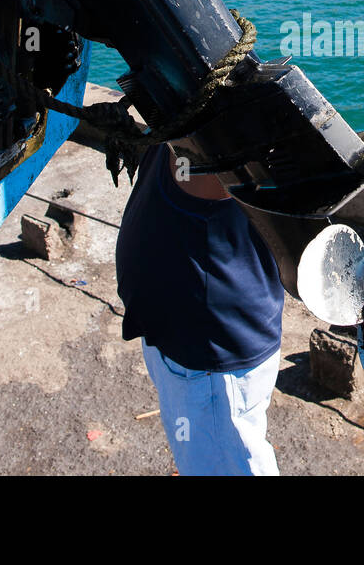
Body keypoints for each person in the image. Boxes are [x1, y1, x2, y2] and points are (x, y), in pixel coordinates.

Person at [115, 143, 284, 476]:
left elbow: (211, 158)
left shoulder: (221, 132)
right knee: (200, 455)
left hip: (208, 352)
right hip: (181, 335)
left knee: (217, 464)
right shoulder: (183, 117)